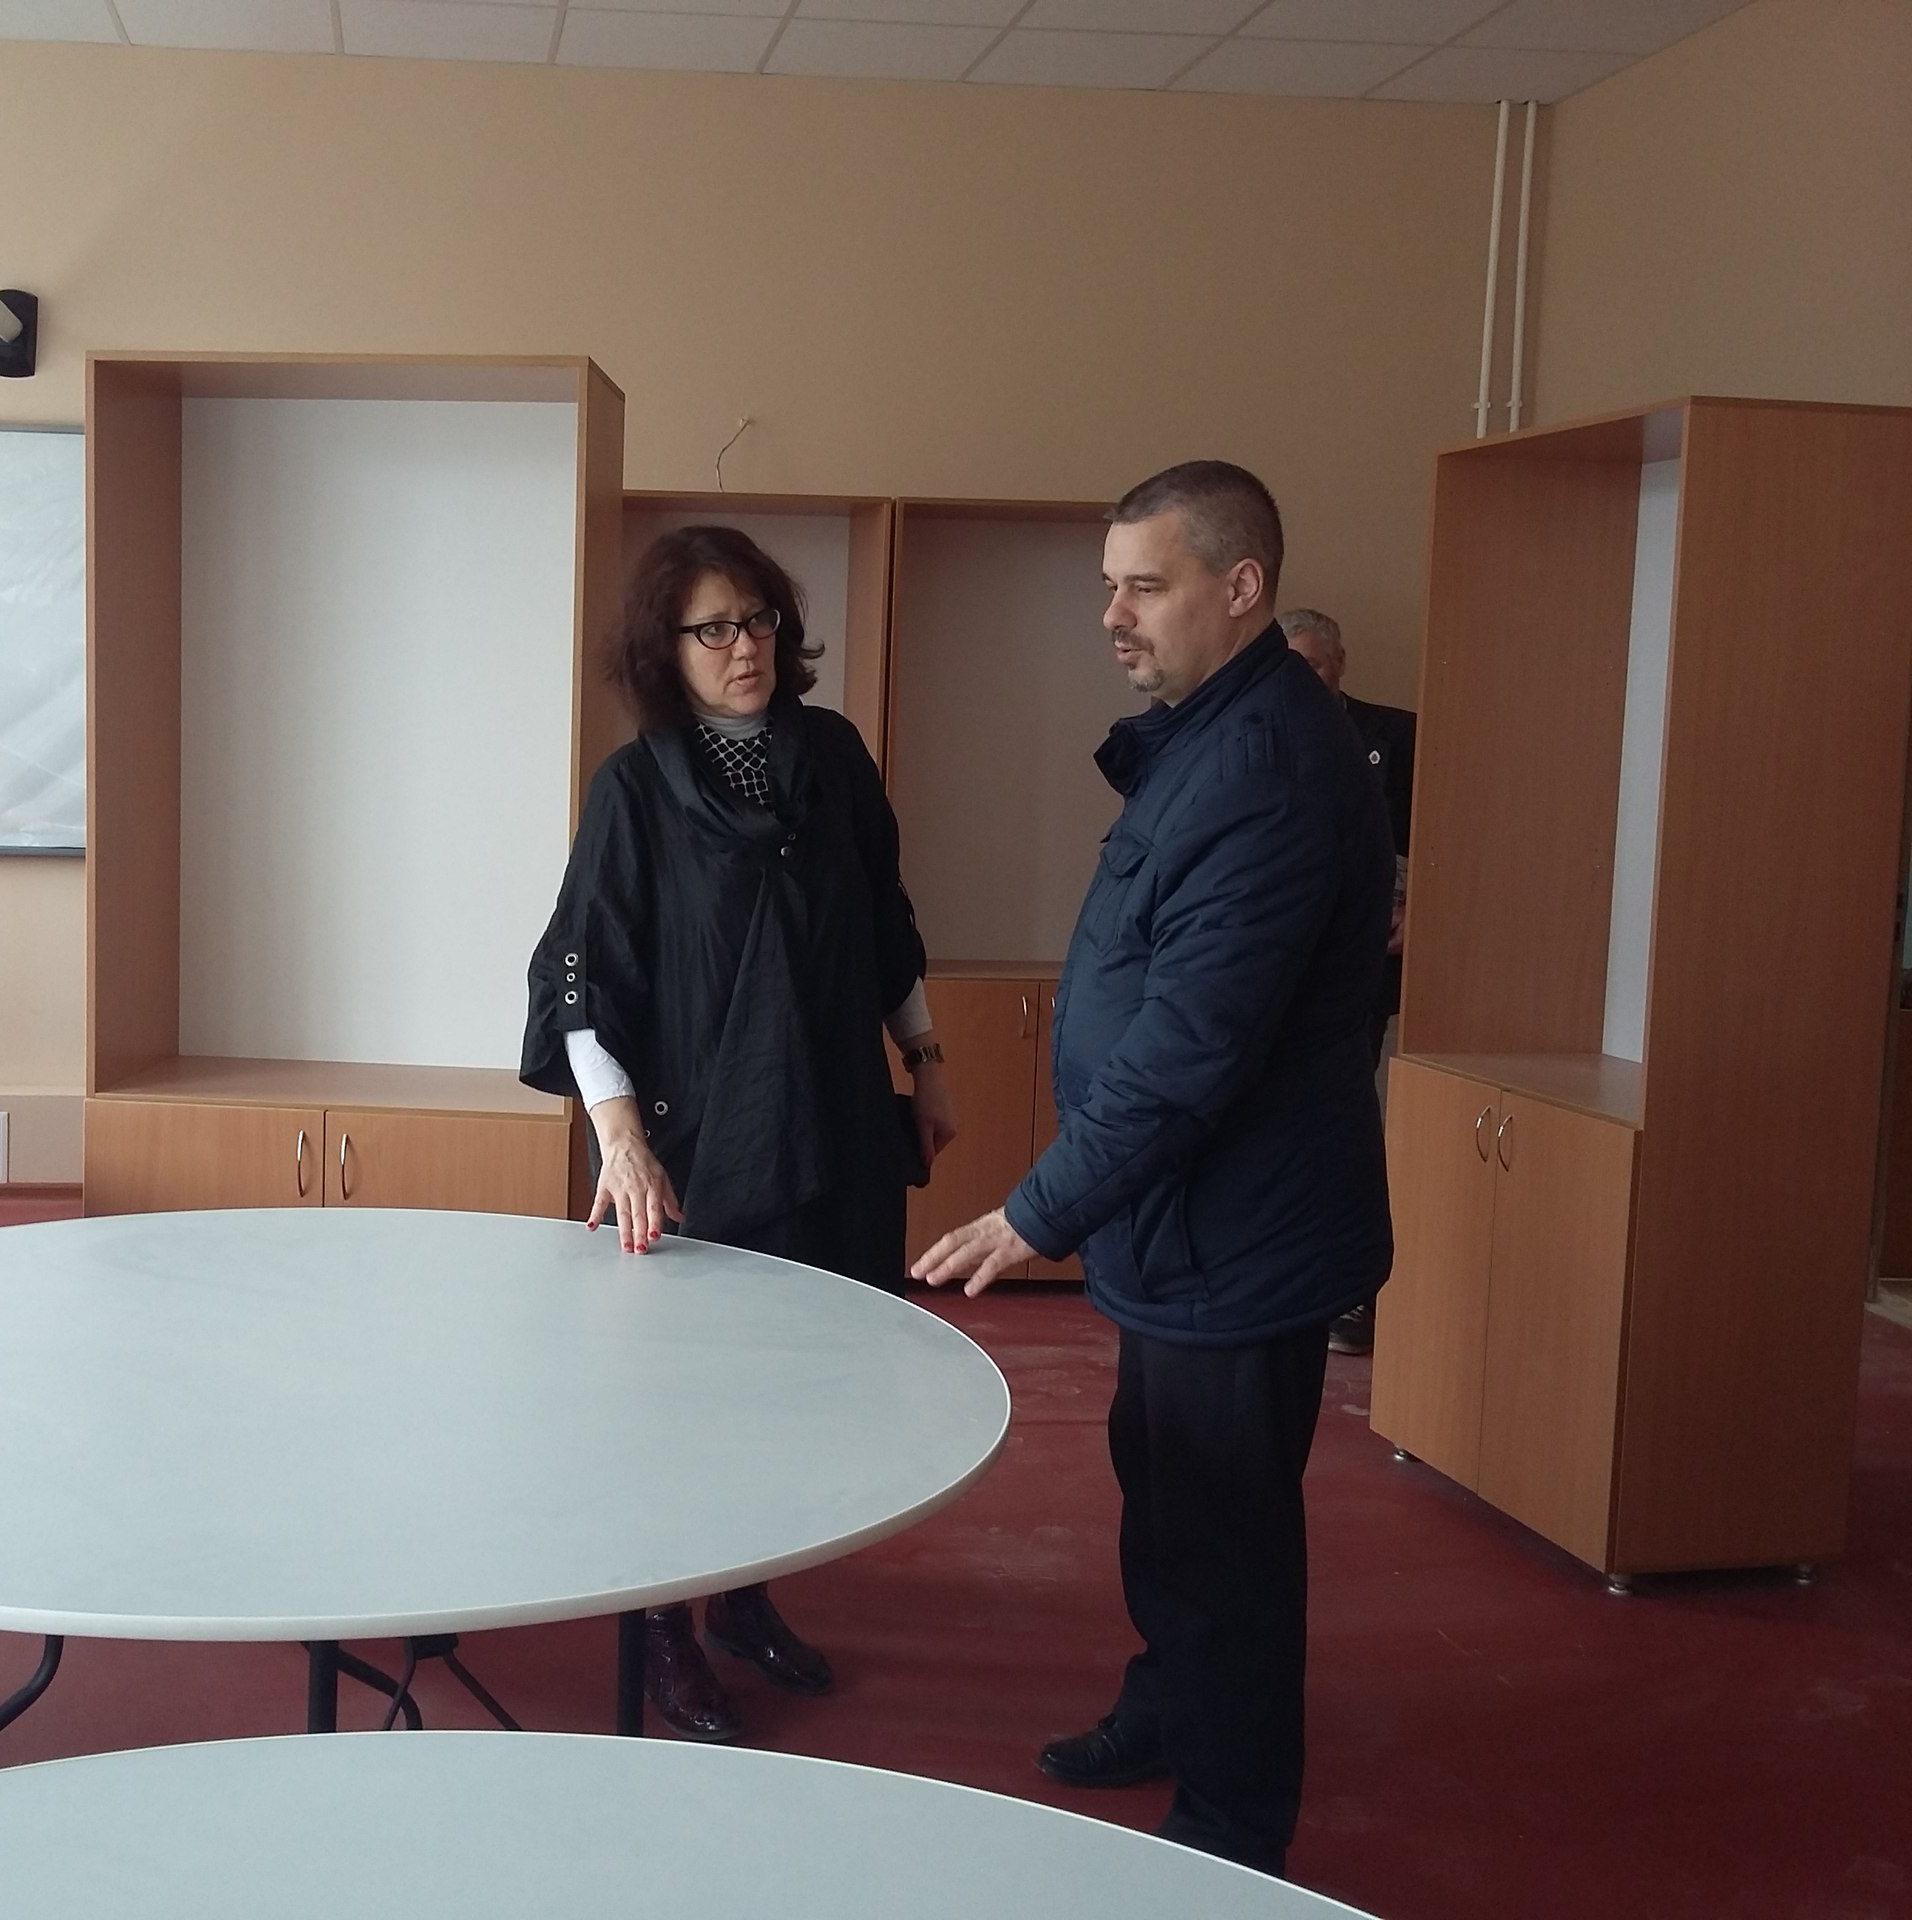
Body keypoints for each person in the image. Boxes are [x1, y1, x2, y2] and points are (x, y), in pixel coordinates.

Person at [913, 462, 1392, 1880]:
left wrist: (1038, 1212)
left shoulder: (1268, 769)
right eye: (1108, 586)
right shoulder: (1211, 733)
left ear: (1241, 588)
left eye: (1145, 585)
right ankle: (1172, 1703)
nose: (1112, 615)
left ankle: (1233, 1830)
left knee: (1224, 1534)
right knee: (1168, 1495)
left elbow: (1193, 1048)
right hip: (1185, 1229)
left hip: (1239, 1238)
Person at [521, 524, 959, 1743]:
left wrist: (924, 1063)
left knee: (796, 1387)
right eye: (711, 628)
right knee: (683, 1399)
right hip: (698, 1140)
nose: (743, 647)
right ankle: (663, 1624)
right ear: (666, 649)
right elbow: (578, 975)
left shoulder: (834, 757)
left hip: (832, 1118)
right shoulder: (636, 788)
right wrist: (618, 1138)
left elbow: (884, 922)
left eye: (758, 619)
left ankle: (746, 1598)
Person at [1279, 607, 1416, 1357]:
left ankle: (1353, 1294)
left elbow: (1450, 834)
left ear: (1340, 664)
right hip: (1290, 963)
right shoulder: (1262, 735)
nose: (1303, 678)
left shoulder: (1396, 735)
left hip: (1373, 967)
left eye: (1314, 663)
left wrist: (1416, 907)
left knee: (1353, 1120)